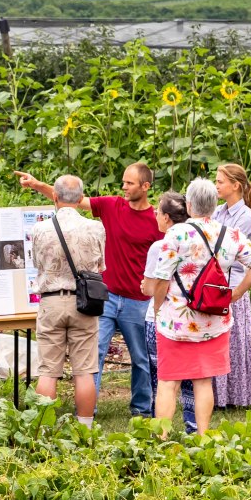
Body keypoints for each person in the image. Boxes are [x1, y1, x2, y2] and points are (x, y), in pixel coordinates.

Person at [16, 164, 163, 416]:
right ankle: (88, 411)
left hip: (138, 300)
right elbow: (72, 198)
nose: (123, 187)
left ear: (146, 186)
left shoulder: (156, 221)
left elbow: (162, 259)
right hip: (103, 297)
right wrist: (38, 184)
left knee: (141, 359)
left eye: (129, 183)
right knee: (94, 357)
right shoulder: (111, 205)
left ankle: (141, 409)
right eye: (123, 182)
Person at [151, 179, 251, 434]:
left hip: (176, 321)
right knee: (204, 382)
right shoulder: (230, 234)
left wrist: (158, 307)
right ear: (214, 205)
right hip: (214, 320)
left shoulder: (176, 234)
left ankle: (160, 439)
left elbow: (161, 278)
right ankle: (203, 437)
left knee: (168, 382)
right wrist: (235, 293)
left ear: (189, 204)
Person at [31, 175, 106, 427]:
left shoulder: (40, 229)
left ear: (55, 196)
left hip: (51, 302)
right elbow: (100, 267)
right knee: (84, 370)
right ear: (80, 197)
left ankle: (45, 428)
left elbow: (36, 264)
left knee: (48, 371)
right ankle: (85, 426)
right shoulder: (95, 228)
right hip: (84, 302)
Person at [140, 191, 196, 433]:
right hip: (192, 317)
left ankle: (160, 426)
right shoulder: (198, 242)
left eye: (157, 212)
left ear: (166, 218)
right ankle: (193, 425)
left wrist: (146, 287)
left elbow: (150, 287)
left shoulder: (159, 246)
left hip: (161, 317)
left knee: (160, 377)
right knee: (192, 378)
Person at [212, 164, 251, 409]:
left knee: (233, 344)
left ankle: (234, 396)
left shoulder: (246, 217)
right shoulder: (218, 211)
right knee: (217, 341)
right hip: (215, 284)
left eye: (220, 181)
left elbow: (225, 251)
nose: (217, 185)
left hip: (232, 287)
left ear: (236, 185)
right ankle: (217, 395)